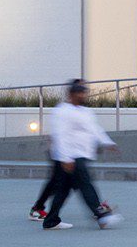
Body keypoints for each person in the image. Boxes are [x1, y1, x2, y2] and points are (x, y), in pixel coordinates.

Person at [40, 80, 122, 230]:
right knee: (86, 185)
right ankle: (102, 217)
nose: (83, 95)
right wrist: (65, 158)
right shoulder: (62, 111)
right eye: (79, 92)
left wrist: (107, 142)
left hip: (80, 155)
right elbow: (60, 135)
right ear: (71, 94)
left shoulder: (86, 112)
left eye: (84, 92)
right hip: (69, 156)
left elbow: (95, 129)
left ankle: (51, 220)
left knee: (63, 190)